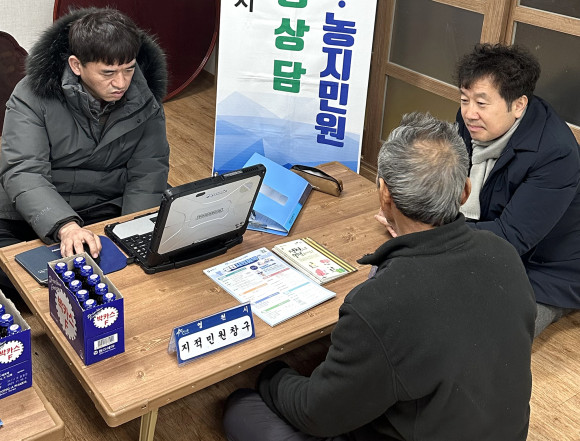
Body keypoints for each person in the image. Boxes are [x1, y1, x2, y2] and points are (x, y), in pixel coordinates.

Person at [223, 112, 536, 441]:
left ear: (384, 194)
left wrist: (271, 373)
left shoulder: (381, 303)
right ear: (465, 191)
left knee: (241, 408)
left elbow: (315, 414)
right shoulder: (504, 254)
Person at [0, 8, 169, 292]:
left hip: (105, 208)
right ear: (76, 65)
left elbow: (148, 171)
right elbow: (25, 171)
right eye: (108, 73)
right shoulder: (31, 94)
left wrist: (132, 233)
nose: (121, 83)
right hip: (32, 212)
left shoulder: (145, 99)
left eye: (129, 69)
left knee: (148, 262)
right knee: (17, 279)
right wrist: (65, 226)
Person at [455, 43, 580, 337]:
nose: (469, 113)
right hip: (486, 239)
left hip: (547, 269)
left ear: (519, 105)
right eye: (464, 99)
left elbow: (512, 237)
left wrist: (431, 230)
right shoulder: (471, 121)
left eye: (481, 103)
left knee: (490, 336)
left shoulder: (556, 153)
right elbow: (449, 177)